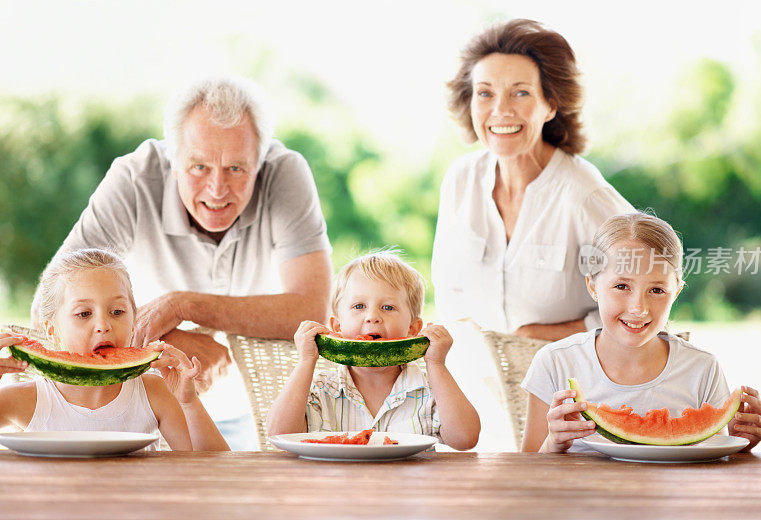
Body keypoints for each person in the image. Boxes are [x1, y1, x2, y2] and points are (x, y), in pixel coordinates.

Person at [54, 76, 333, 449]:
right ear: (172, 157)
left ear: (260, 161)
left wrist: (184, 305)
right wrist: (163, 340)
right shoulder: (135, 177)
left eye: (236, 168)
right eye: (198, 167)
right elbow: (54, 298)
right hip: (143, 403)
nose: (217, 189)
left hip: (251, 411)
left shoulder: (286, 172)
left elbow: (310, 309)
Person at [432, 19, 634, 341]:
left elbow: (646, 297)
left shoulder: (583, 194)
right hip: (480, 379)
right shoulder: (460, 181)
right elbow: (448, 290)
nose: (501, 110)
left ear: (550, 105)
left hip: (571, 382)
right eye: (485, 93)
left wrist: (541, 335)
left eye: (521, 93)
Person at [521, 213, 761, 453]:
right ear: (593, 286)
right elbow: (527, 469)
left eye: (657, 290)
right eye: (621, 286)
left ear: (677, 292)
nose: (638, 308)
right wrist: (552, 444)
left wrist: (742, 445)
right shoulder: (554, 363)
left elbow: (716, 462)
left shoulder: (702, 369)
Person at [0, 248, 228, 451]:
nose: (103, 326)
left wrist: (189, 403)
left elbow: (214, 468)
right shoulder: (28, 399)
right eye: (84, 314)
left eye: (117, 312)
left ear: (133, 321)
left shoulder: (154, 392)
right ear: (52, 331)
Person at [265, 251, 481, 450]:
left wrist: (437, 364)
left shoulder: (428, 389)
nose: (372, 316)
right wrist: (306, 362)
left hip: (411, 489)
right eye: (359, 306)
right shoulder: (322, 388)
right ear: (337, 328)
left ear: (413, 329)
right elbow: (279, 435)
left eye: (388, 307)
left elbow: (465, 439)